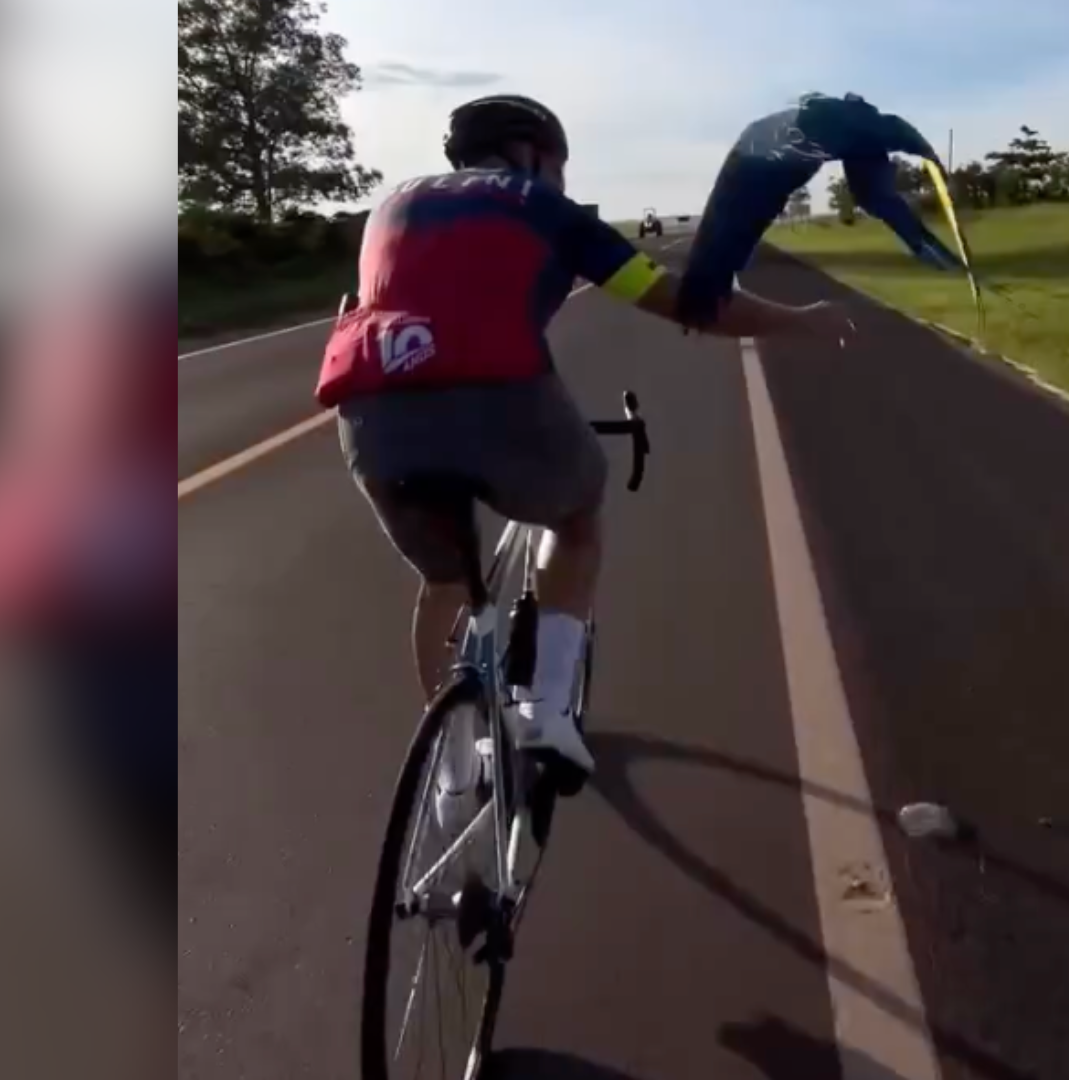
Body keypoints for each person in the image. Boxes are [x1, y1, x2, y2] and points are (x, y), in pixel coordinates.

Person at [315, 94, 849, 776]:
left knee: (445, 577)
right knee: (575, 516)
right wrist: (798, 320)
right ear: (530, 154)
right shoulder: (545, 209)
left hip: (371, 412)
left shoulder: (390, 205)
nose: (563, 178)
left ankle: (449, 768)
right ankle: (547, 711)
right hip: (498, 398)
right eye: (560, 164)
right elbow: (685, 304)